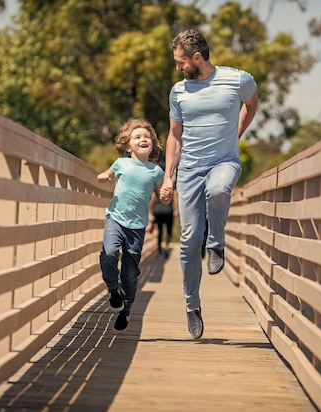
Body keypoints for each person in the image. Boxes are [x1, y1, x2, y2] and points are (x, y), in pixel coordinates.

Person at [159, 29, 258, 339]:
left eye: (180, 61)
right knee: (188, 241)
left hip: (224, 163)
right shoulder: (179, 92)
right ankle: (192, 305)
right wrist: (168, 177)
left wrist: (236, 135)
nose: (177, 67)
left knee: (219, 189)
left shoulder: (238, 80)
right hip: (189, 170)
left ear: (197, 58)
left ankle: (216, 243)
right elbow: (175, 136)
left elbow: (251, 105)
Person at [98, 118, 165, 332]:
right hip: (115, 217)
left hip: (137, 226)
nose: (143, 139)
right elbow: (109, 173)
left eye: (147, 137)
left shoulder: (156, 171)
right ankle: (112, 288)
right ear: (128, 146)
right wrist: (105, 176)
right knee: (109, 253)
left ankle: (126, 310)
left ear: (152, 145)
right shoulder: (121, 164)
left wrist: (166, 194)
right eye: (137, 137)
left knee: (130, 271)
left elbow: (164, 195)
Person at [149, 181, 177, 259]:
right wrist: (177, 209)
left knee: (160, 231)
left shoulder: (157, 185)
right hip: (168, 210)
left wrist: (151, 210)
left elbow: (153, 199)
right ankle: (167, 247)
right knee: (169, 230)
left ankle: (159, 251)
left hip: (158, 210)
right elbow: (175, 196)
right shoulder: (170, 185)